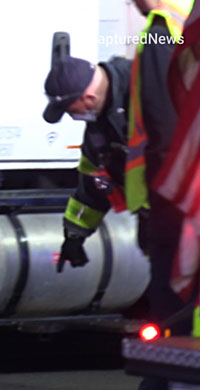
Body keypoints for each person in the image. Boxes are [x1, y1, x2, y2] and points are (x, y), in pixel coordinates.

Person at [125, 0, 194, 335]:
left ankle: (169, 373)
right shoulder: (191, 13)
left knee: (169, 294)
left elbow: (161, 117)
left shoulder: (159, 29)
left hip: (171, 189)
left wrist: (163, 195)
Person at [42, 55, 132, 273]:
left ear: (88, 98)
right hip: (160, 221)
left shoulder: (145, 87)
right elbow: (94, 181)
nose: (73, 117)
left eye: (72, 111)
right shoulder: (100, 126)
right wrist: (74, 235)